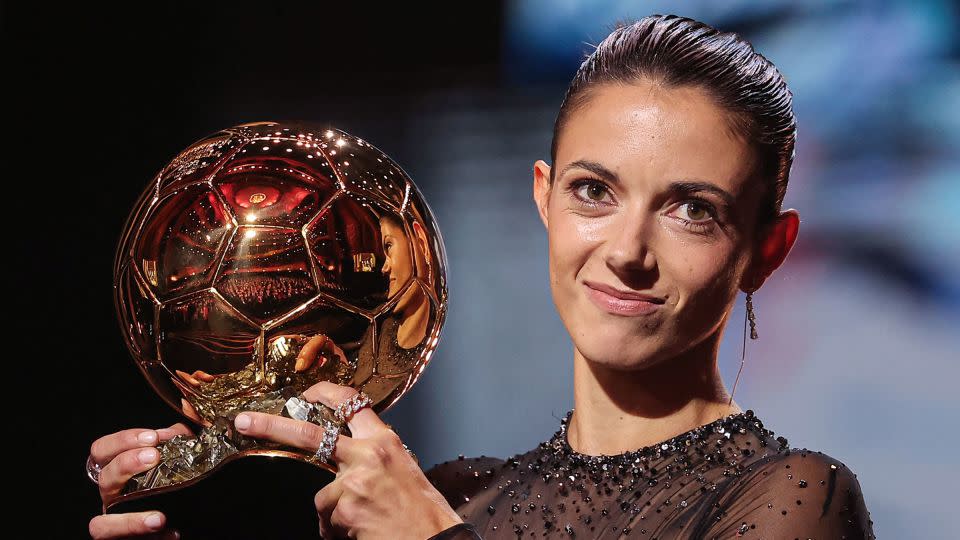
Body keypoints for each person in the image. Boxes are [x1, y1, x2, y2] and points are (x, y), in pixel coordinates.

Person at [87, 14, 875, 539]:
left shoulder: (794, 499)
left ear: (768, 251)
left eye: (691, 210)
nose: (627, 251)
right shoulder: (457, 492)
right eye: (593, 192)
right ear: (544, 196)